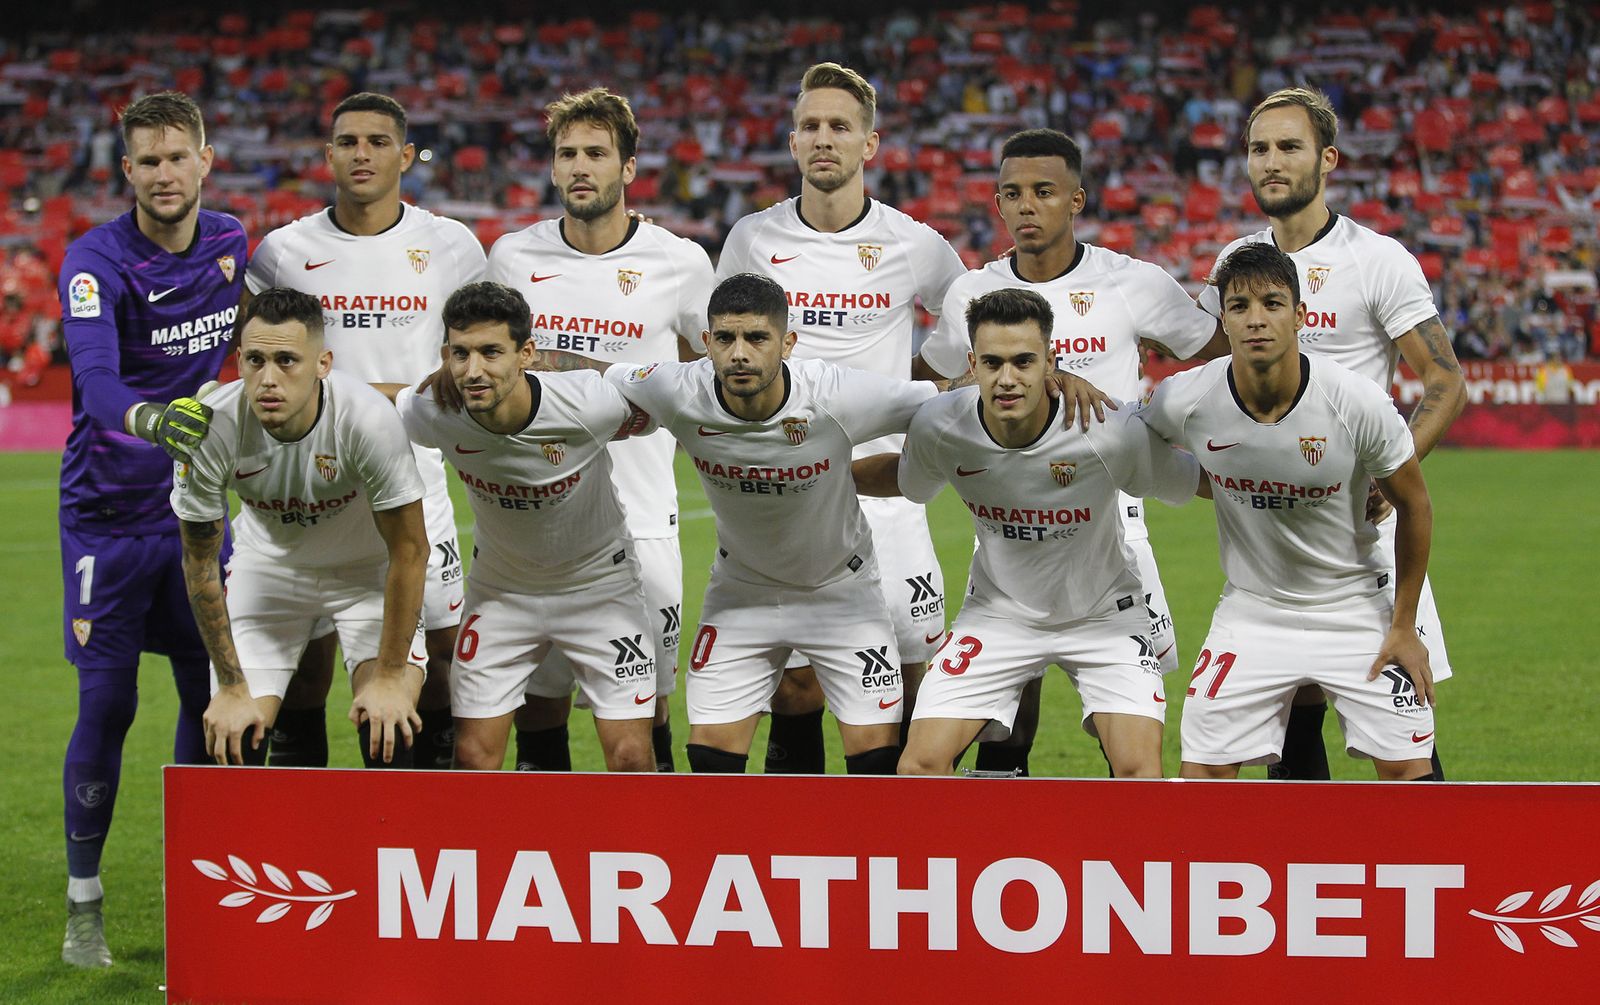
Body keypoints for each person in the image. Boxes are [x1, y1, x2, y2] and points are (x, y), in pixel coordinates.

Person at [917, 127, 1226, 777]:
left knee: (1128, 717)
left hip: (1115, 509)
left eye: (1043, 192)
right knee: (1007, 696)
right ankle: (1005, 812)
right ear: (997, 204)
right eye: (1012, 194)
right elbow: (935, 381)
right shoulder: (973, 293)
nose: (1026, 205)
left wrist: (1169, 426)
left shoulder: (1130, 282)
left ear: (1076, 199)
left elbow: (1215, 356)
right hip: (1012, 505)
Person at [1197, 87, 1465, 780]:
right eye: (1259, 149)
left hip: (1362, 535)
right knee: (1291, 717)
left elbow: (1444, 378)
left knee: (1403, 727)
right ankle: (1307, 883)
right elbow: (1203, 380)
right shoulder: (1238, 263)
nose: (1272, 162)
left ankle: (1430, 878)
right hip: (1274, 539)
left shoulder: (1375, 259)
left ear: (1328, 159)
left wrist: (1393, 466)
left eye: (1289, 147)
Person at [714, 62, 967, 774]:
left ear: (870, 144)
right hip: (789, 498)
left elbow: (970, 326)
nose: (824, 139)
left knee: (918, 668)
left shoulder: (912, 242)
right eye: (811, 127)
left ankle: (909, 848)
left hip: (885, 492)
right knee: (797, 685)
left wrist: (930, 393)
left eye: (840, 127)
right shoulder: (751, 241)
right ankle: (804, 852)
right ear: (793, 144)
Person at [856, 289, 1200, 776]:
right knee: (919, 767)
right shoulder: (941, 426)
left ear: (1051, 363)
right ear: (971, 365)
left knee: (1139, 774)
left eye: (1024, 361)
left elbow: (1195, 480)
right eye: (992, 363)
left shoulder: (1108, 428)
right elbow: (904, 479)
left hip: (1104, 618)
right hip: (998, 617)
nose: (1007, 379)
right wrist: (819, 470)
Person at [55, 90, 247, 968]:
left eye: (179, 156)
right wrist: (153, 420)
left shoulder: (234, 243)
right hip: (106, 516)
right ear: (126, 170)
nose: (165, 174)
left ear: (205, 160)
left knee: (212, 701)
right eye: (147, 160)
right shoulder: (94, 260)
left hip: (198, 514)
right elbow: (94, 384)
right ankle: (82, 906)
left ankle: (197, 898)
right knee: (108, 701)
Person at [607, 273, 938, 774]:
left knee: (876, 764)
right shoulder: (677, 389)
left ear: (788, 343)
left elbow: (945, 401)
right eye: (725, 338)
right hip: (742, 593)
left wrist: (1048, 382)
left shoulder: (835, 393)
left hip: (841, 593)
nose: (739, 353)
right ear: (706, 344)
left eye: (757, 338)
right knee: (710, 762)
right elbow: (596, 380)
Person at [244, 92, 485, 770]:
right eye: (348, 142)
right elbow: (254, 355)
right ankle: (312, 837)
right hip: (310, 485)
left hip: (412, 478)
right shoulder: (283, 252)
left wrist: (376, 399)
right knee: (308, 660)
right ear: (328, 156)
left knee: (433, 651)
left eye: (378, 142)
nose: (362, 154)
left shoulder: (452, 247)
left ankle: (417, 823)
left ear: (405, 155)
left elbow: (470, 355)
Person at [1140, 244, 1437, 780]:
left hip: (1354, 606)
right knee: (1201, 774)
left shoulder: (1355, 401)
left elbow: (1414, 505)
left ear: (1299, 315)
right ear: (1222, 320)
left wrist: (1404, 626)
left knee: (1411, 773)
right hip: (1253, 610)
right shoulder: (1186, 398)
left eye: (1272, 304)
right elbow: (1128, 443)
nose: (1256, 320)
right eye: (1238, 307)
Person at [484, 87, 714, 773]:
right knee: (540, 713)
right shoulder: (511, 260)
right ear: (552, 169)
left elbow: (711, 386)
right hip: (533, 525)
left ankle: (658, 855)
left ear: (629, 167)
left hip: (641, 524)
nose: (580, 166)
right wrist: (613, 380)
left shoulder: (681, 263)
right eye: (567, 154)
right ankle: (545, 863)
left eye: (596, 153)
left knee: (647, 722)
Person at [391, 281, 656, 772]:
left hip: (601, 589)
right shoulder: (435, 410)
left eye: (492, 352)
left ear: (528, 353)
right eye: (461, 354)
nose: (474, 371)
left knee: (632, 756)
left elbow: (659, 405)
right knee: (471, 756)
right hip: (501, 593)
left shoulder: (589, 403)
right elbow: (374, 404)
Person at [171, 288, 429, 771]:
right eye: (255, 360)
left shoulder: (367, 419)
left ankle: (390, 845)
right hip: (269, 573)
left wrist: (392, 677)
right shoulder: (209, 429)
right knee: (235, 731)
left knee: (388, 720)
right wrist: (230, 686)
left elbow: (410, 551)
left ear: (323, 363)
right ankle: (267, 848)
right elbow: (200, 560)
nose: (268, 379)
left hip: (365, 575)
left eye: (287, 360)